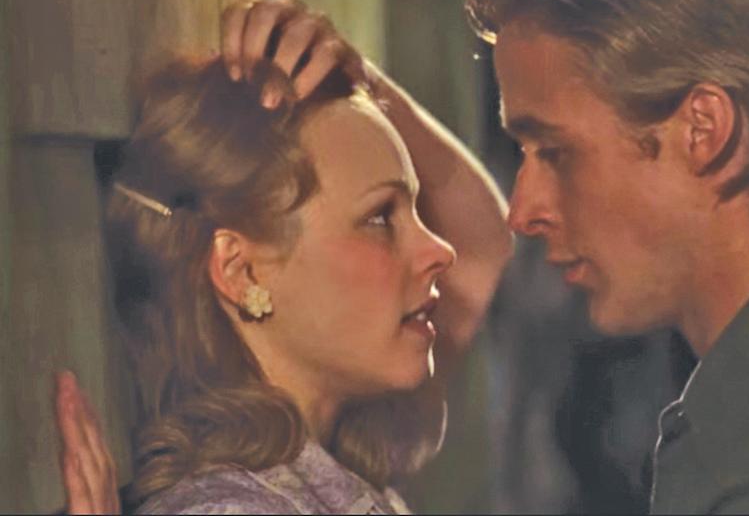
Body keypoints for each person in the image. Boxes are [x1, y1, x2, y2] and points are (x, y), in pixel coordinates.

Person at [59, 0, 749, 513]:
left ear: (703, 131)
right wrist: (349, 84)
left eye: (554, 151)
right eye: (380, 216)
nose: (524, 207)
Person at [54, 48, 511, 513]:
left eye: (414, 209)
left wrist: (358, 74)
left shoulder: (330, 467)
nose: (441, 250)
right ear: (241, 271)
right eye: (379, 218)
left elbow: (483, 252)